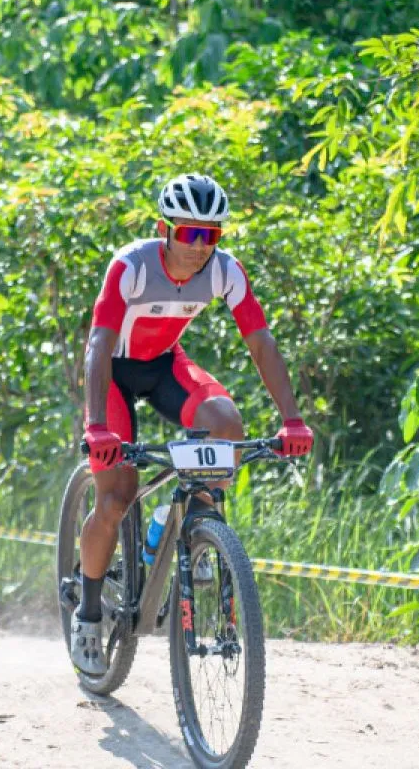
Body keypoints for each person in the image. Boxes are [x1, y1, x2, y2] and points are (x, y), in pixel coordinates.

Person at [72, 174, 314, 675]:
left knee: (224, 422)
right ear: (166, 229)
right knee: (115, 499)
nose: (200, 247)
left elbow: (261, 342)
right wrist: (97, 426)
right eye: (189, 233)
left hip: (163, 365)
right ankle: (89, 614)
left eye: (212, 235)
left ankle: (182, 525)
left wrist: (292, 420)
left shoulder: (225, 272)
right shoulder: (131, 266)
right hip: (113, 374)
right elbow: (98, 346)